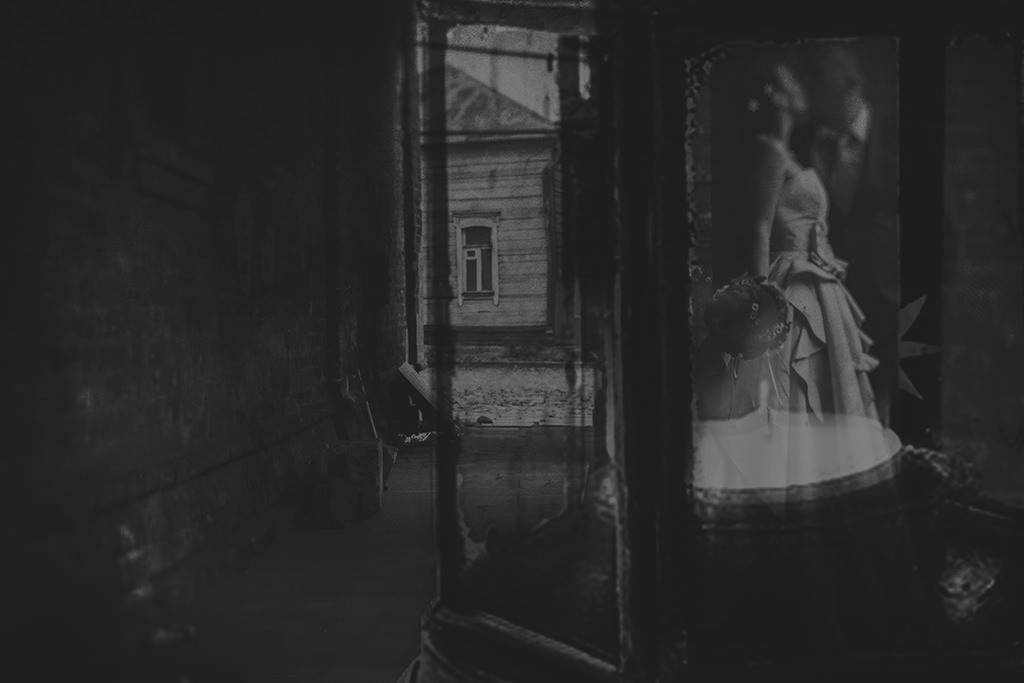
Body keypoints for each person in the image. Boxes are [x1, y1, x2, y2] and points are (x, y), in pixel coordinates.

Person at [693, 57, 900, 490]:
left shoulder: (789, 148)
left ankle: (826, 485)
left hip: (818, 282)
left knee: (827, 394)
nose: (803, 85)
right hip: (790, 284)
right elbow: (759, 230)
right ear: (777, 95)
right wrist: (763, 303)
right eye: (793, 80)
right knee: (794, 395)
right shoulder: (768, 151)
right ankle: (797, 487)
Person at [790, 44, 900, 428]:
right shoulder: (797, 142)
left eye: (819, 87)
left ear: (851, 85)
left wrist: (921, 298)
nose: (809, 99)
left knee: (888, 413)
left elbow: (939, 227)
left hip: (889, 304)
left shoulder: (900, 138)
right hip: (823, 303)